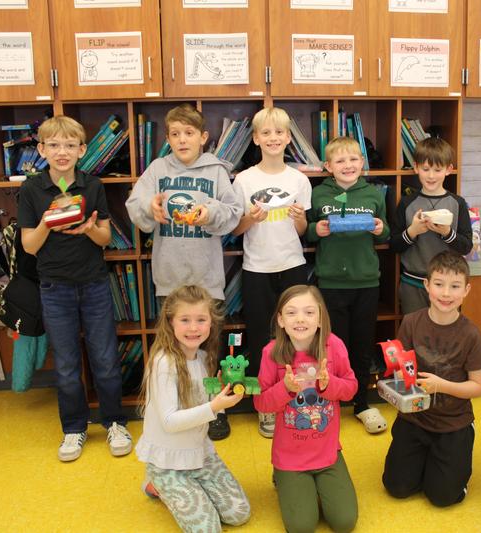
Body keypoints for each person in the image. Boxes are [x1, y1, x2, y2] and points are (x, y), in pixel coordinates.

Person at [126, 103, 243, 440]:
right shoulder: (158, 169)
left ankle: (214, 408)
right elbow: (136, 207)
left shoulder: (217, 171)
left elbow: (234, 212)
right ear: (168, 139)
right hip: (170, 277)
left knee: (208, 347)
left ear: (203, 137)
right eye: (175, 134)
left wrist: (210, 214)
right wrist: (151, 206)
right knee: (172, 348)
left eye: (189, 133)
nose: (182, 139)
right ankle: (174, 408)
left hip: (207, 280)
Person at [18, 115, 131, 462]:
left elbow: (105, 236)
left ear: (82, 150)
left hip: (94, 283)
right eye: (53, 145)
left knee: (106, 359)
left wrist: (86, 230)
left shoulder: (92, 186)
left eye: (69, 145)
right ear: (41, 150)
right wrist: (48, 220)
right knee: (66, 363)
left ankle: (114, 421)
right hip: (54, 288)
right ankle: (74, 428)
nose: (62, 152)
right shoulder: (32, 189)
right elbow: (29, 246)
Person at [135, 285, 250, 533]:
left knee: (239, 513)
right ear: (170, 322)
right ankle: (157, 483)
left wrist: (221, 395)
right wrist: (214, 406)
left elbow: (205, 404)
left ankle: (184, 488)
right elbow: (170, 421)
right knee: (208, 530)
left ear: (211, 323)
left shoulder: (203, 357)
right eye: (185, 320)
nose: (194, 328)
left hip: (199, 453)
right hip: (169, 461)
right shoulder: (163, 362)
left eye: (201, 319)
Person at [382, 251, 481, 507]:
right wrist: (395, 375)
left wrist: (441, 386)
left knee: (443, 497)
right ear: (427, 286)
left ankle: (448, 463)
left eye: (455, 286)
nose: (446, 294)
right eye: (439, 284)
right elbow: (402, 368)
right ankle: (426, 459)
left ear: (466, 290)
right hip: (414, 419)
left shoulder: (472, 334)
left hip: (453, 423)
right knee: (396, 487)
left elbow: (478, 387)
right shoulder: (411, 322)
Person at [231, 107, 311, 439]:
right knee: (262, 339)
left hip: (292, 265)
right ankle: (266, 405)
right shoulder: (244, 179)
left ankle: (295, 397)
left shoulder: (299, 179)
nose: (273, 138)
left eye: (279, 132)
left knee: (297, 336)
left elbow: (304, 229)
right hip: (257, 268)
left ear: (288, 138)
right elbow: (236, 229)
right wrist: (251, 219)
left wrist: (297, 219)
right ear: (256, 139)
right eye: (266, 133)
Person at [254, 285, 358, 533]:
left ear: (321, 318)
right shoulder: (271, 353)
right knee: (301, 527)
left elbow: (351, 388)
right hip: (290, 457)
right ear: (280, 320)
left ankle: (312, 487)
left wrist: (328, 384)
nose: (300, 319)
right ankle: (283, 478)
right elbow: (261, 403)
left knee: (344, 522)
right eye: (291, 313)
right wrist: (286, 388)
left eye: (309, 312)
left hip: (327, 453)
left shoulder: (334, 346)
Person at [306, 136, 390, 434]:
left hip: (366, 281)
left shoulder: (373, 194)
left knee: (362, 343)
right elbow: (307, 232)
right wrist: (316, 229)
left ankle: (361, 403)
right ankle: (330, 401)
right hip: (330, 283)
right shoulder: (319, 195)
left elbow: (384, 231)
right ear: (328, 166)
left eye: (353, 159)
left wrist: (381, 228)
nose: (348, 165)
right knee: (331, 346)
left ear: (362, 162)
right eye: (340, 161)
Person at [390, 137, 472, 315]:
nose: (431, 176)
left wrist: (447, 233)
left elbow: (466, 246)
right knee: (414, 334)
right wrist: (413, 231)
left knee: (445, 334)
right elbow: (394, 245)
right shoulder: (406, 203)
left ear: (448, 169)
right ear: (416, 167)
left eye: (437, 169)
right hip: (413, 282)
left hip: (447, 286)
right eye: (426, 169)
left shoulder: (457, 203)